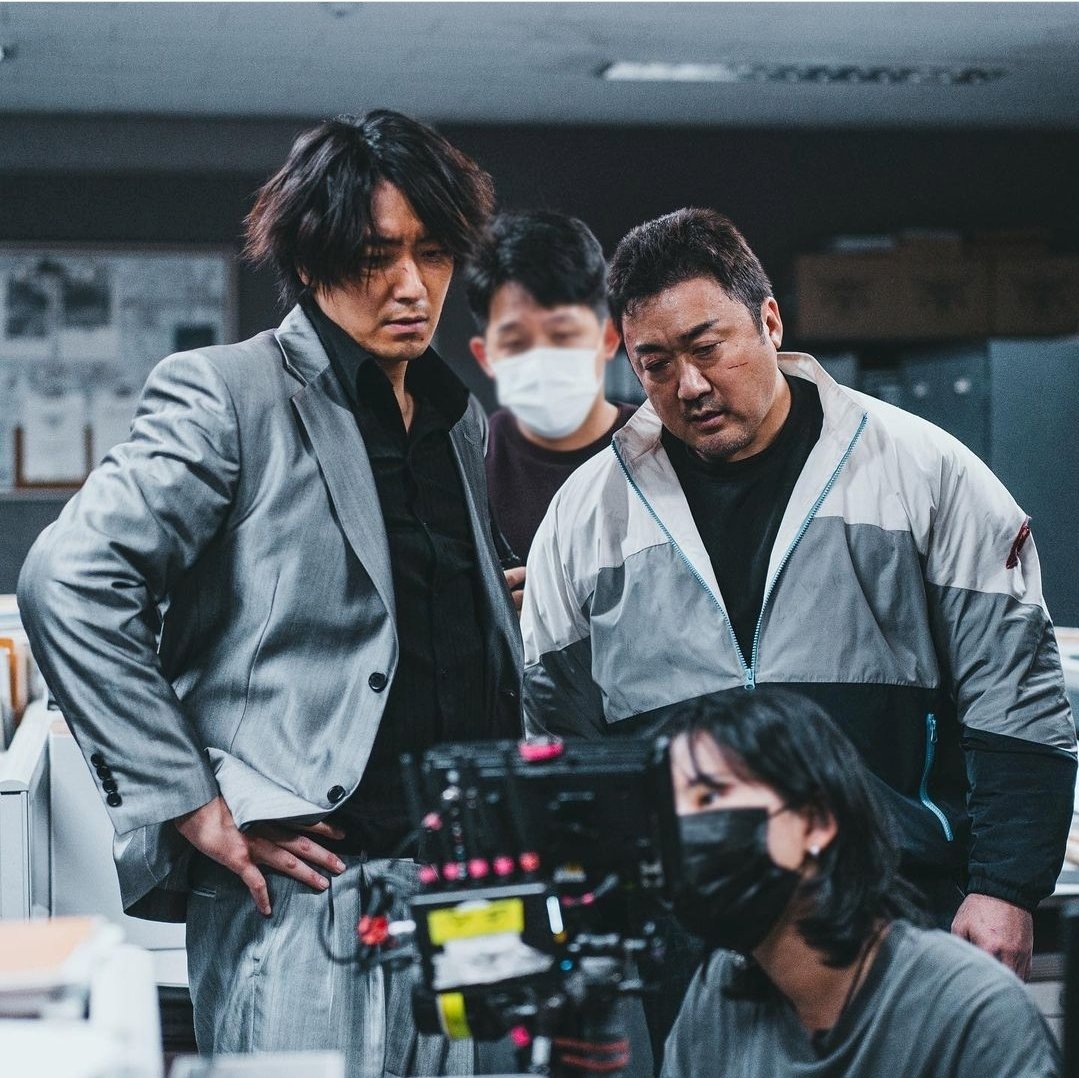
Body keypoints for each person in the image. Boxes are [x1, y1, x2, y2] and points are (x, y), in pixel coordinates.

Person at [17, 110, 522, 1076]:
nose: (412, 286)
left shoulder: (455, 418)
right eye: (375, 256)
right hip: (309, 889)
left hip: (466, 884)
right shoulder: (230, 393)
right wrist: (190, 800)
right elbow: (71, 579)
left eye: (432, 253)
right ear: (309, 259)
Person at [520, 207, 1076, 980]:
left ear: (769, 322)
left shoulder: (923, 473)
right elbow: (559, 740)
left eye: (707, 348)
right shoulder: (585, 517)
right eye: (655, 364)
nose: (688, 385)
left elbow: (1013, 698)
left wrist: (1004, 888)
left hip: (896, 905)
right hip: (684, 930)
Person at [661, 687, 1060, 1077]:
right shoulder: (718, 994)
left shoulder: (971, 1010)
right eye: (673, 811)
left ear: (816, 822)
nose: (688, 834)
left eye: (710, 799)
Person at [464, 211, 635, 561]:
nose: (541, 359)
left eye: (563, 335)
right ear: (486, 356)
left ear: (608, 338)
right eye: (515, 342)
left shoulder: (660, 452)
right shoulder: (468, 470)